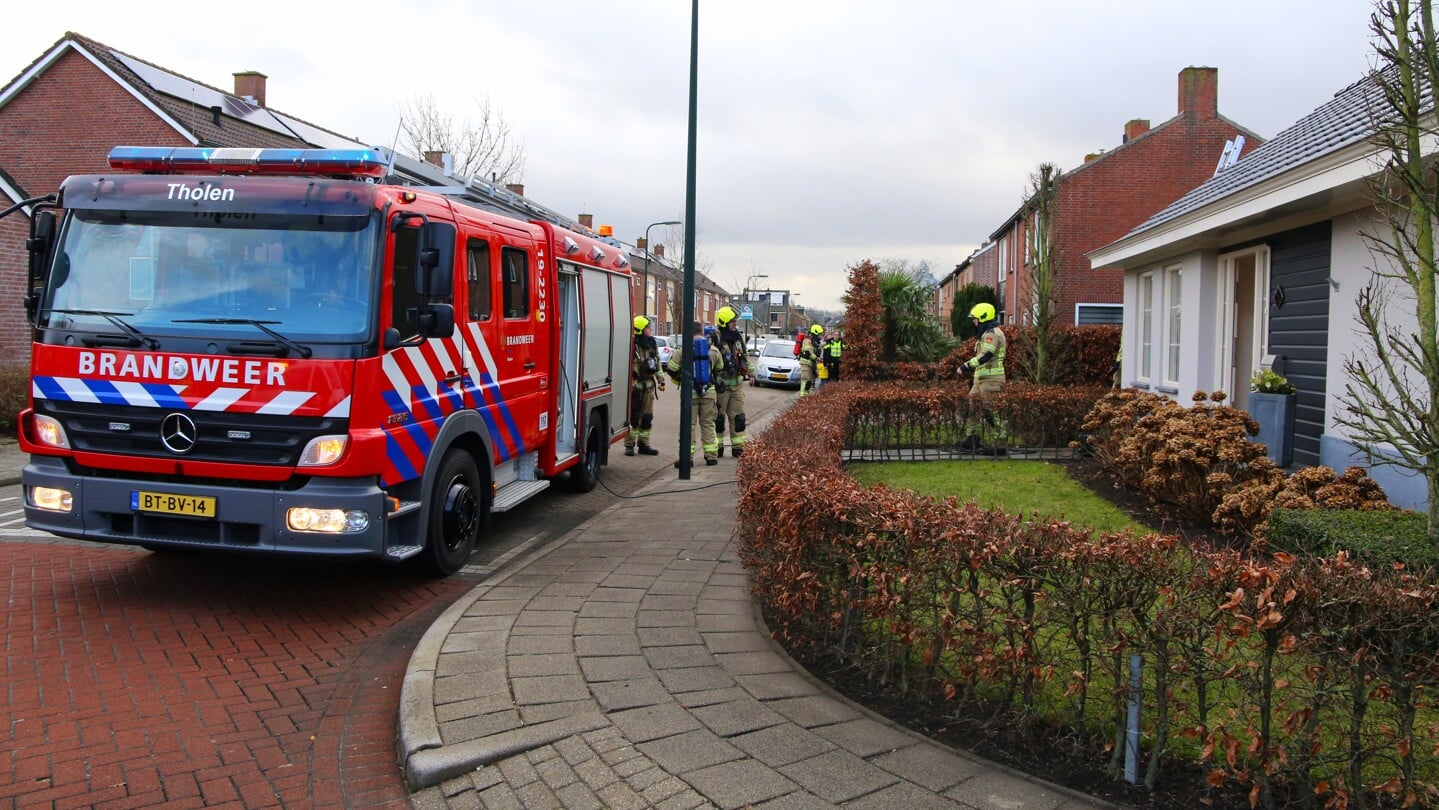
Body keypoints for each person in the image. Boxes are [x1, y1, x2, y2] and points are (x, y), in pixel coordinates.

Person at [667, 322, 724, 466]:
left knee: (688, 425)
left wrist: (682, 378)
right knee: (708, 424)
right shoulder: (714, 350)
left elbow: (671, 369)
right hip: (709, 392)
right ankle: (711, 456)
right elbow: (720, 369)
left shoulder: (683, 350)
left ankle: (687, 458)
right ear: (702, 332)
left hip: (690, 393)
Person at [956, 303, 1007, 454]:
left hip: (991, 380)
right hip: (981, 380)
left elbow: (986, 355)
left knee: (990, 410)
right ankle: (972, 439)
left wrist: (965, 366)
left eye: (975, 319)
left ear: (983, 318)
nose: (973, 322)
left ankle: (1000, 444)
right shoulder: (986, 334)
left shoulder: (992, 334)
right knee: (974, 409)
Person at [712, 306, 751, 457]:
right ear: (723, 322)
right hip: (721, 387)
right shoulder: (715, 339)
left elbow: (745, 356)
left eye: (735, 321)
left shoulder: (737, 338)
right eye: (732, 322)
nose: (735, 324)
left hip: (737, 385)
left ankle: (738, 448)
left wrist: (751, 373)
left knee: (738, 418)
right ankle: (718, 448)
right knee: (719, 419)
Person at [625, 316, 664, 456]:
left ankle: (644, 444)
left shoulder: (652, 344)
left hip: (648, 386)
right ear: (641, 329)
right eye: (648, 327)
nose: (650, 329)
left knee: (647, 417)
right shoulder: (632, 345)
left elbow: (657, 362)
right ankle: (629, 444)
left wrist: (660, 379)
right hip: (635, 387)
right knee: (634, 417)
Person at [798, 323, 824, 396]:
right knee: (805, 379)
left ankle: (805, 394)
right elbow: (808, 351)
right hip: (805, 362)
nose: (821, 335)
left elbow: (815, 350)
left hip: (810, 363)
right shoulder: (808, 340)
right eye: (820, 334)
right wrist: (816, 358)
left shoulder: (815, 341)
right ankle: (803, 395)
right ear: (816, 333)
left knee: (810, 380)